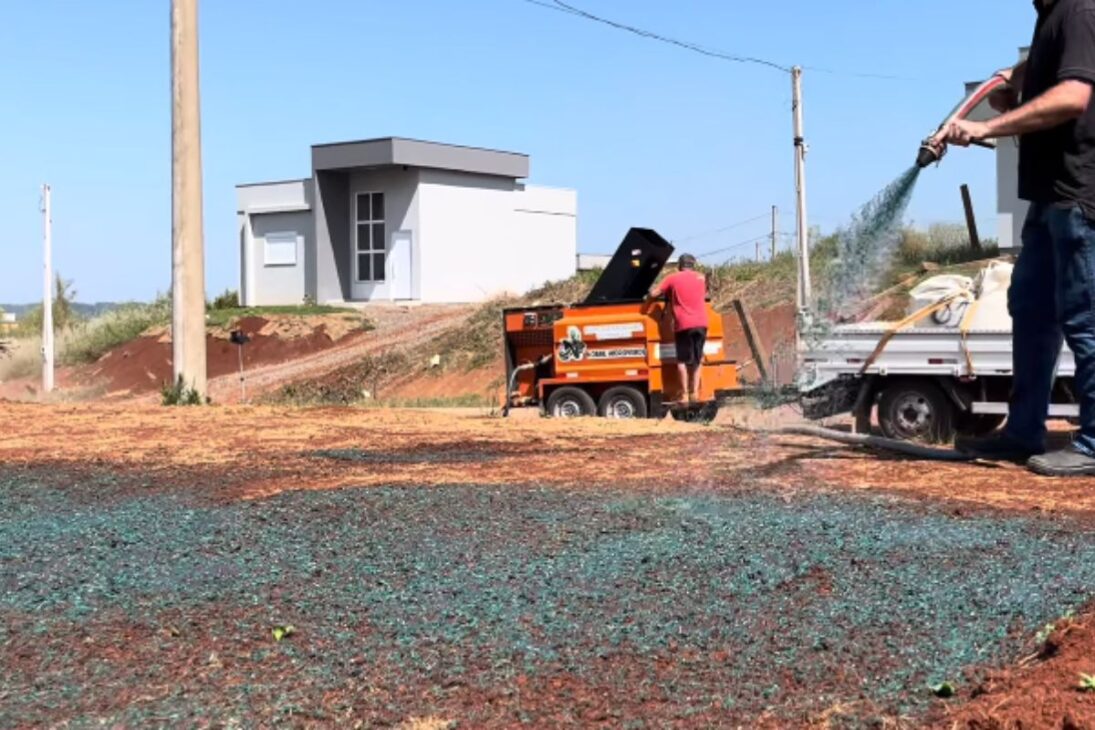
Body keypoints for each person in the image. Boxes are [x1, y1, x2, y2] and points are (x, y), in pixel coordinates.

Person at [932, 0, 1095, 475]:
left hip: (1076, 197)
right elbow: (1034, 71)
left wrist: (985, 125)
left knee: (1083, 318)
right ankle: (1024, 432)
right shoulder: (1051, 18)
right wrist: (1013, 80)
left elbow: (1072, 96)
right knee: (1030, 312)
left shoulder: (1078, 11)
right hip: (1046, 199)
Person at [647, 254, 709, 403]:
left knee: (682, 361)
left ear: (680, 265)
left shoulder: (672, 278)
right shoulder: (701, 278)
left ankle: (684, 395)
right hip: (702, 323)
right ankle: (694, 394)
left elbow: (654, 293)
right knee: (697, 360)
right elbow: (705, 294)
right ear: (693, 265)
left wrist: (649, 294)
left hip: (683, 324)